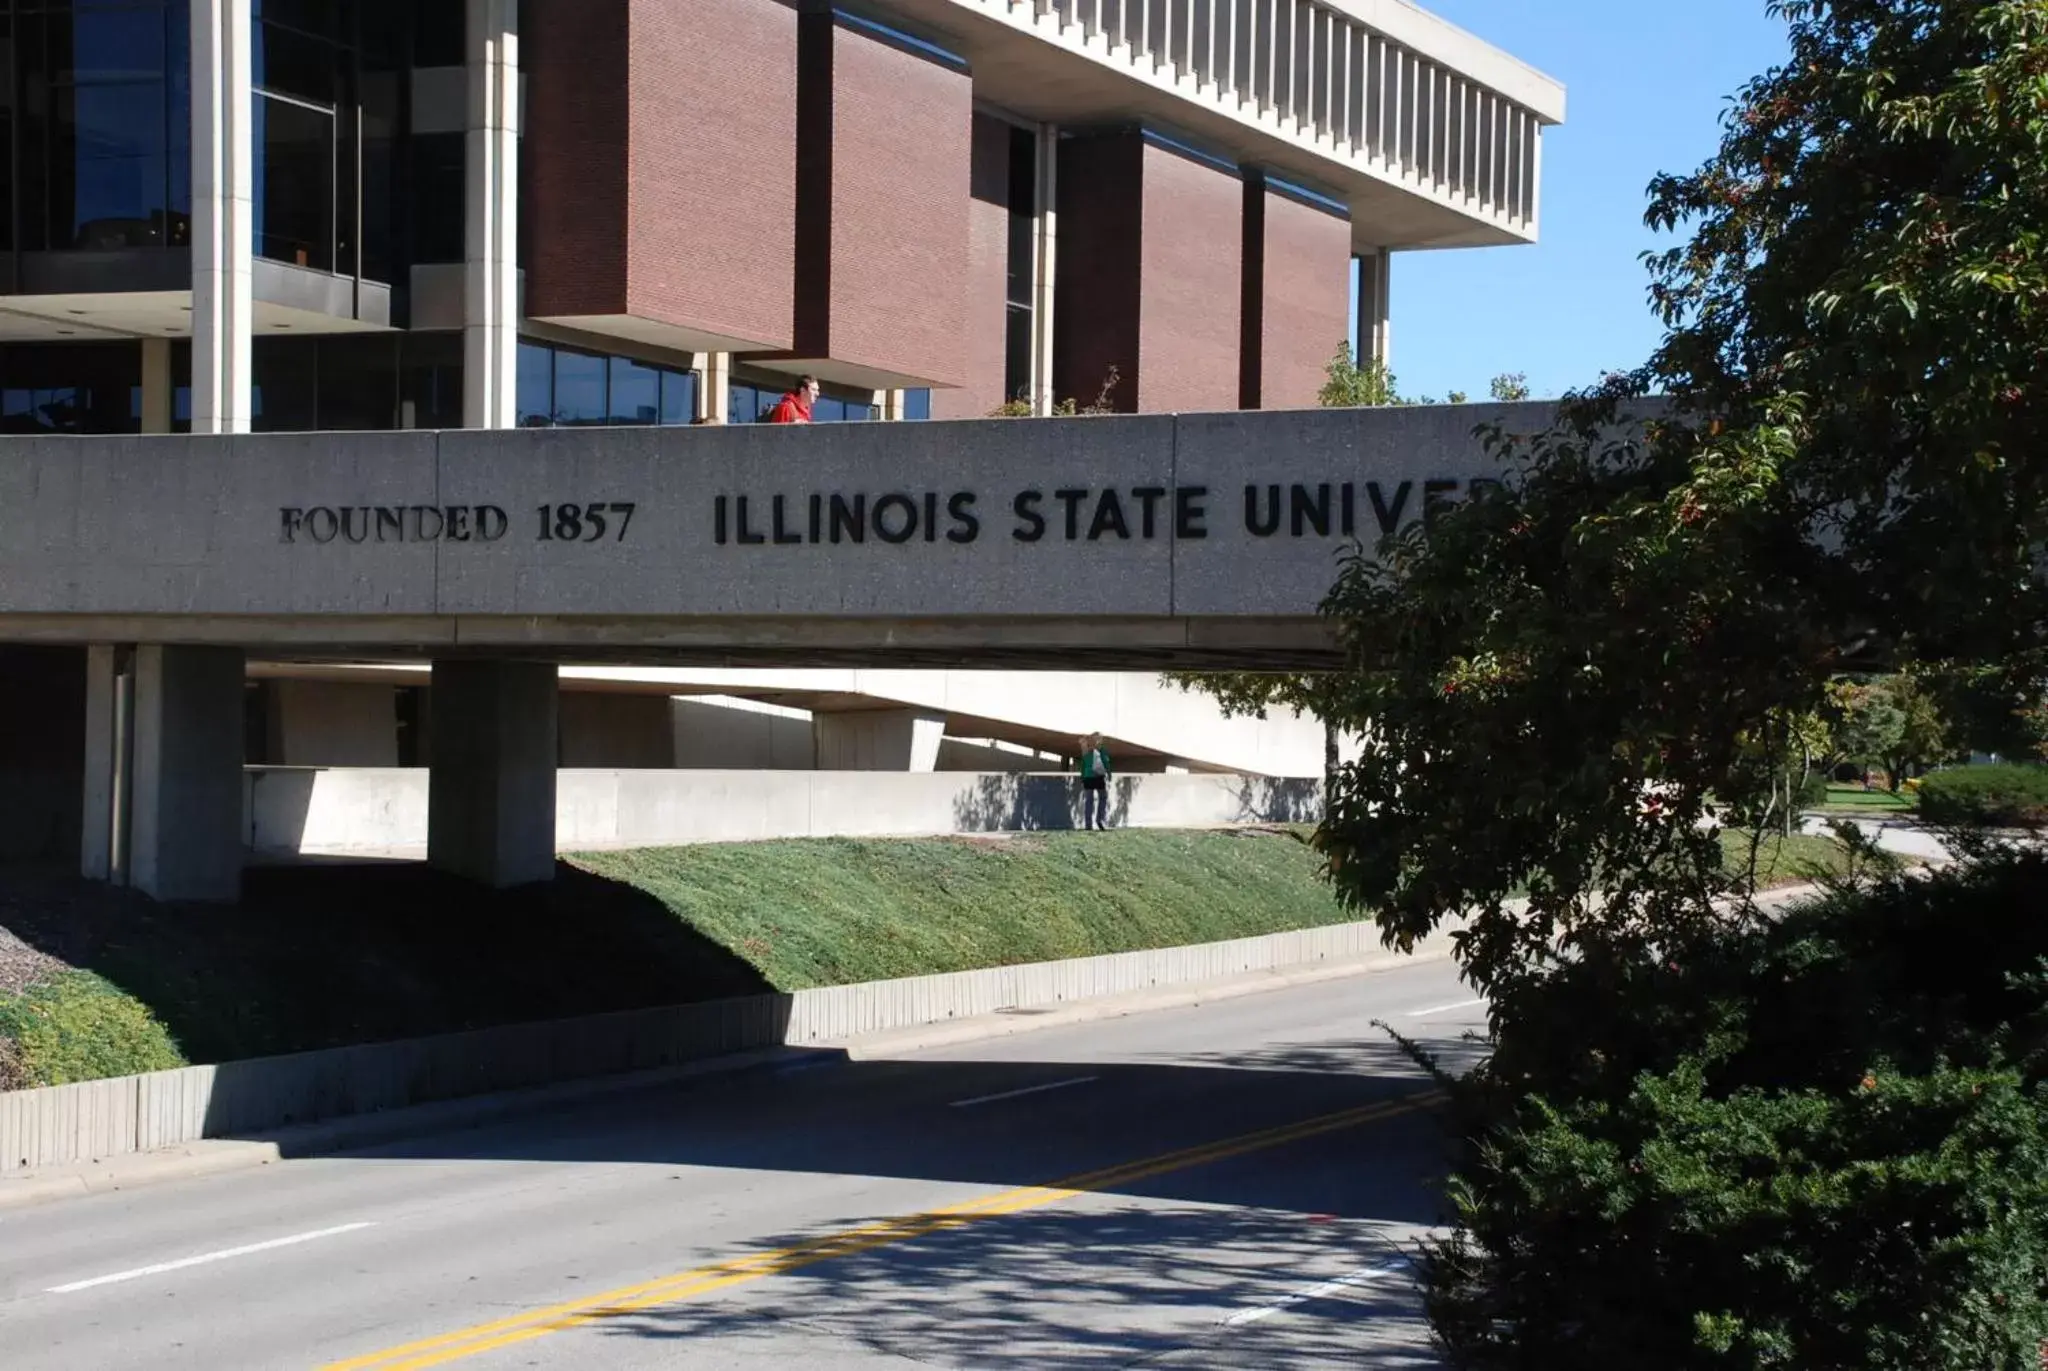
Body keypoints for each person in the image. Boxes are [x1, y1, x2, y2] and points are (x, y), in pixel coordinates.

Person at [1078, 733, 1113, 831]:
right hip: (1098, 777)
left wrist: (1082, 777)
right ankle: (1099, 820)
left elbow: (1083, 765)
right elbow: (1106, 763)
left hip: (1087, 777)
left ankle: (1088, 825)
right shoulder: (1101, 751)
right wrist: (1109, 774)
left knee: (1089, 801)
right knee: (1102, 797)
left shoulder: (1086, 753)